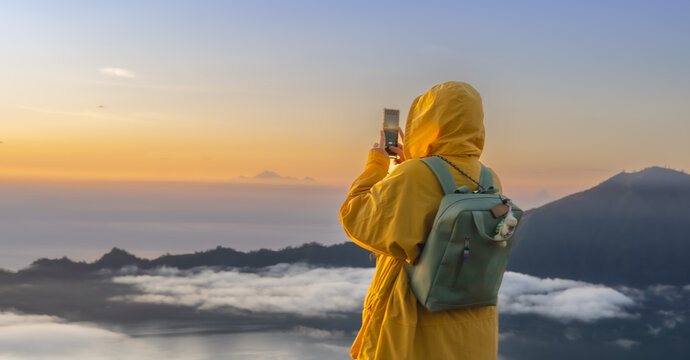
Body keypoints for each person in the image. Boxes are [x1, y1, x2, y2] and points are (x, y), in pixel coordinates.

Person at [339, 81, 504, 359]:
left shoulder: (415, 176)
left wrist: (378, 164)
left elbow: (356, 218)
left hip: (416, 328)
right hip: (475, 328)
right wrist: (411, 168)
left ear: (426, 121)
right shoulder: (488, 177)